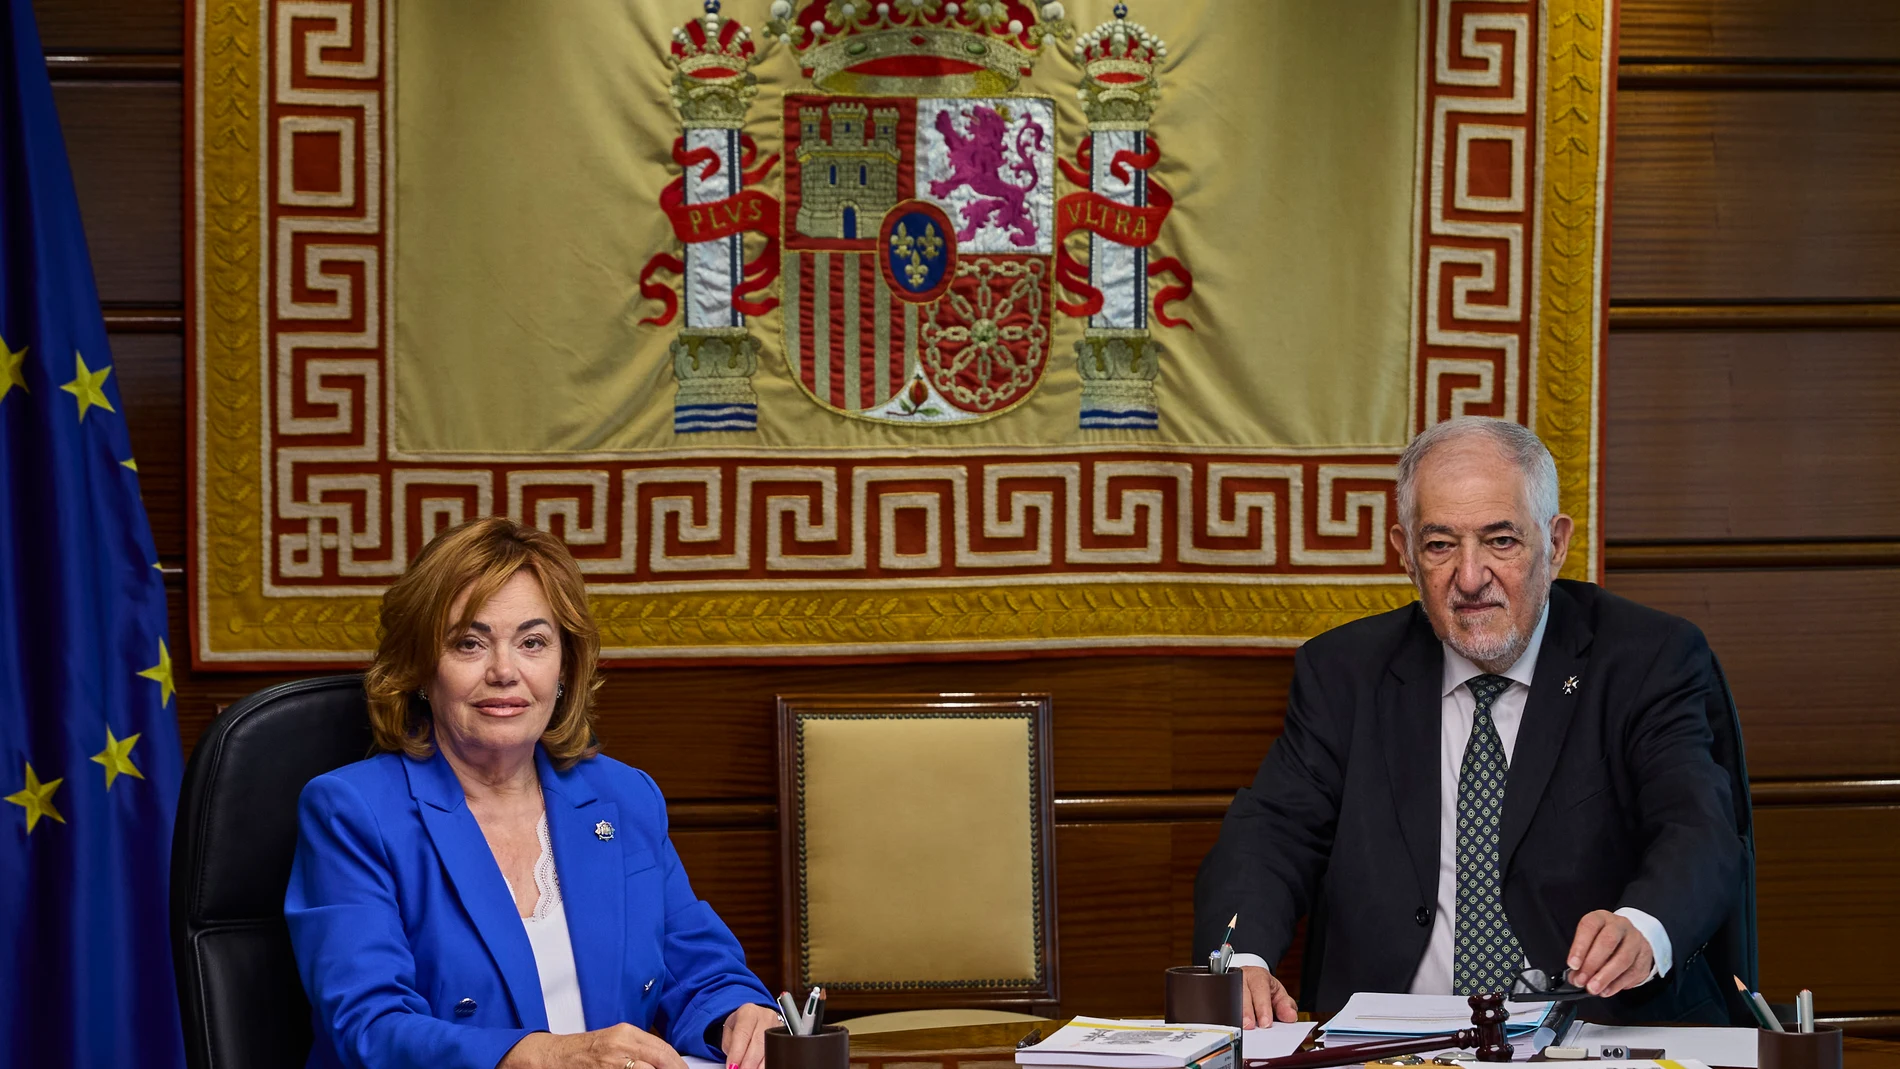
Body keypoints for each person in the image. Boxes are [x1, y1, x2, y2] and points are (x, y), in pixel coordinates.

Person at [1195, 418, 1743, 1027]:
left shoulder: (1647, 658)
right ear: (1404, 552)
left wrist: (1644, 926)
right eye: (1440, 545)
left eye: (1501, 540)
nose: (1471, 577)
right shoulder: (1345, 672)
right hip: (1394, 1041)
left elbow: (1699, 826)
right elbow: (1271, 831)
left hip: (1592, 1033)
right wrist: (1240, 958)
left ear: (1555, 544)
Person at [286, 518, 781, 1069]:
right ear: (421, 669)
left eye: (533, 642)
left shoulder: (622, 796)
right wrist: (541, 1056)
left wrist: (739, 1011)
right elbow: (369, 1026)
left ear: (565, 664)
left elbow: (703, 969)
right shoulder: (353, 812)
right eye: (468, 643)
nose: (505, 671)